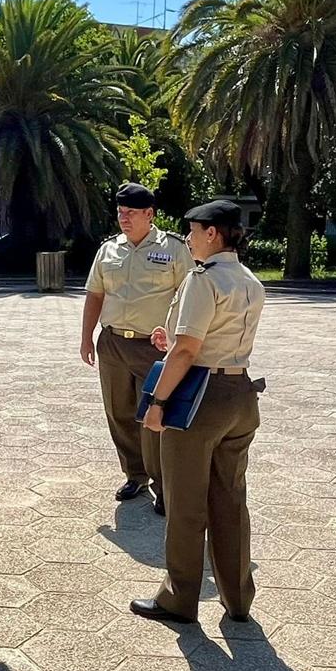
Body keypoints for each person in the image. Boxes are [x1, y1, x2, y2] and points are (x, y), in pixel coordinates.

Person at [131, 199, 265, 624]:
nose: (187, 239)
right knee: (230, 500)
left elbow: (189, 349)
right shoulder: (249, 280)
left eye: (192, 231)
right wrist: (169, 339)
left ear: (212, 233)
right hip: (241, 392)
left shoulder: (203, 279)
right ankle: (238, 598)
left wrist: (156, 403)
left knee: (186, 503)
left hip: (201, 397)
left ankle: (179, 597)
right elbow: (200, 340)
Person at [81, 183, 191, 511]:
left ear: (149, 214)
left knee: (153, 415)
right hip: (113, 343)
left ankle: (163, 484)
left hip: (154, 348)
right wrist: (86, 337)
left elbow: (188, 295)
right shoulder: (109, 250)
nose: (124, 219)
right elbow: (95, 294)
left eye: (130, 213)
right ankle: (135, 475)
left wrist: (177, 341)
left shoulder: (173, 249)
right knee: (119, 412)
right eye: (120, 213)